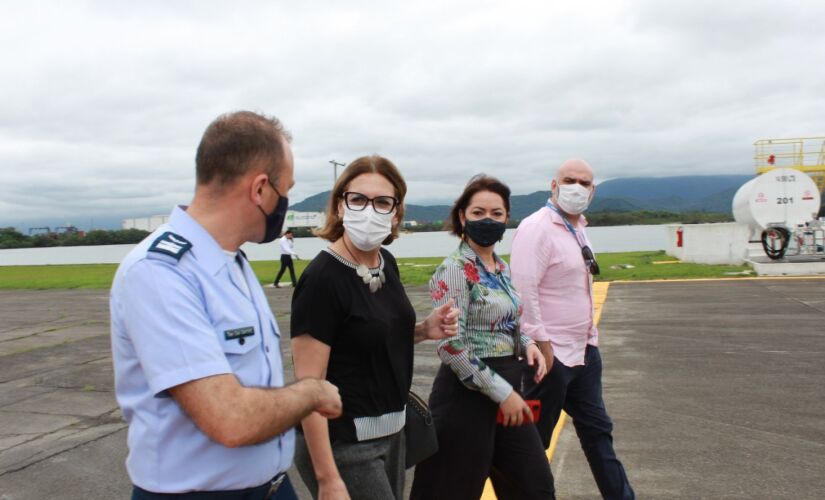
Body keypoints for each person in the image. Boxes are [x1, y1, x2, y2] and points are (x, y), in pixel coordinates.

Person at [110, 111, 342, 499]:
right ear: (260, 190)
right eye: (287, 189)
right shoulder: (159, 272)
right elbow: (230, 419)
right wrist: (312, 392)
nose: (286, 201)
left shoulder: (230, 260)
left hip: (271, 487)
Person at [290, 155, 460, 500]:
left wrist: (424, 329)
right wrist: (327, 478)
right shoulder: (323, 280)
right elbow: (309, 389)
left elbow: (367, 337)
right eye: (358, 199)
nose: (370, 210)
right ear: (340, 206)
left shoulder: (386, 263)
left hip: (394, 435)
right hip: (345, 445)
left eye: (383, 202)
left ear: (396, 212)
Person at [409, 175, 554, 500]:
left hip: (507, 398)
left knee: (535, 487)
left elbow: (506, 322)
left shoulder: (501, 268)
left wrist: (527, 344)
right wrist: (503, 393)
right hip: (466, 400)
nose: (487, 220)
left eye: (496, 213)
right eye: (478, 213)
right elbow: (451, 346)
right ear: (462, 217)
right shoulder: (455, 270)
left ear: (506, 218)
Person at [510, 158, 635, 499]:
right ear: (554, 185)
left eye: (584, 183)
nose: (576, 187)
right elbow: (523, 292)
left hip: (583, 353)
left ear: (593, 191)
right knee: (534, 445)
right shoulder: (536, 228)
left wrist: (591, 340)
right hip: (549, 357)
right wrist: (542, 345)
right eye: (569, 180)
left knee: (598, 433)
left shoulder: (578, 227)